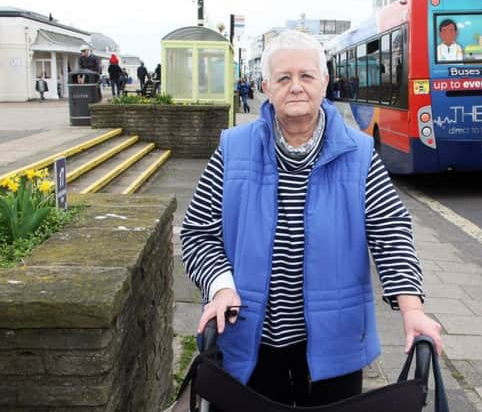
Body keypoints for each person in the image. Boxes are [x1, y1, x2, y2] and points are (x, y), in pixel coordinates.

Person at [180, 30, 442, 407]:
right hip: (248, 341)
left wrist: (411, 308)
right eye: (284, 78)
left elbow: (391, 233)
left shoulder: (360, 154)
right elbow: (198, 233)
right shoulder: (233, 150)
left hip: (334, 349)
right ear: (266, 86)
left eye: (306, 76)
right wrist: (220, 286)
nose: (296, 87)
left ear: (325, 82)